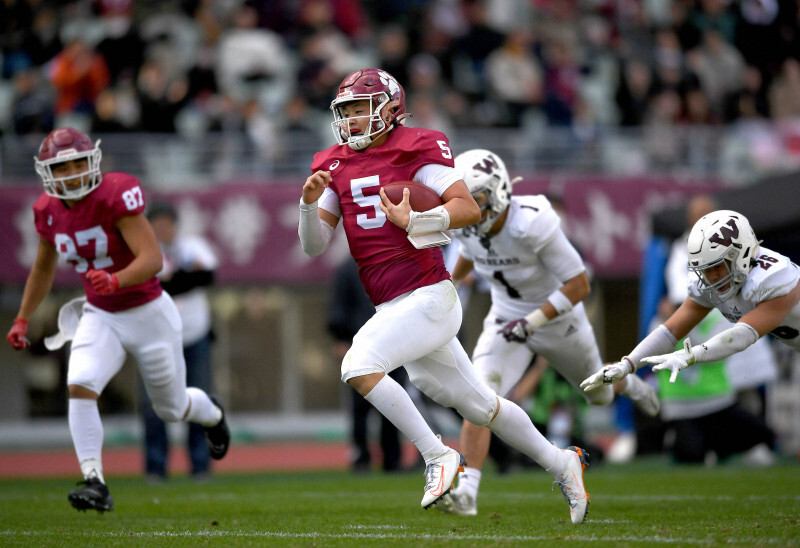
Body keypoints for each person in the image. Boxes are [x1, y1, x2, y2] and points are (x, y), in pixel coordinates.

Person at [299, 68, 591, 524]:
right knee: (479, 405)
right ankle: (562, 463)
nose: (353, 120)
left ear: (391, 110)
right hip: (392, 303)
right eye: (347, 111)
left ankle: (437, 456)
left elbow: (466, 207)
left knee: (358, 365)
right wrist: (306, 205)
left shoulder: (418, 144)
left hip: (429, 293)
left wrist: (417, 221)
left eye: (361, 109)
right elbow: (315, 244)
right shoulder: (331, 164)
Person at [5, 128, 230, 513]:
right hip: (101, 314)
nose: (74, 173)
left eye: (79, 162)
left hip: (148, 313)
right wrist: (23, 318)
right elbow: (43, 269)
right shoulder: (47, 210)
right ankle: (95, 481)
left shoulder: (114, 195)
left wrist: (116, 278)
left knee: (171, 409)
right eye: (63, 166)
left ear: (92, 161)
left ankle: (212, 413)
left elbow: (152, 259)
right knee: (79, 383)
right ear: (48, 172)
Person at [438, 149, 659, 517]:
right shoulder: (468, 221)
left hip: (558, 321)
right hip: (506, 319)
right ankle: (468, 493)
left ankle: (628, 384)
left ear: (498, 192)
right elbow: (468, 252)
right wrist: (447, 286)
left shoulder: (533, 221)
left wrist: (533, 322)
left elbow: (579, 285)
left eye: (475, 199)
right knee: (478, 397)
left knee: (598, 395)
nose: (468, 208)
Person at [581, 209, 800, 416]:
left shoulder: (775, 278)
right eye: (704, 269)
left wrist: (692, 355)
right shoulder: (709, 283)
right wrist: (628, 364)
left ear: (741, 255)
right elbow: (670, 330)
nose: (711, 276)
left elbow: (743, 335)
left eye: (717, 267)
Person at [142, 200, 219, 482]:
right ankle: (155, 467)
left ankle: (200, 466)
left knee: (199, 397)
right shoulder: (144, 251)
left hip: (195, 334)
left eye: (167, 224)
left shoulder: (192, 246)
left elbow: (207, 275)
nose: (163, 230)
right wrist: (181, 279)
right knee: (153, 404)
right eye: (157, 225)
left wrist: (171, 282)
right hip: (155, 339)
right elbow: (145, 285)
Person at [327, 255, 403, 473]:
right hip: (359, 342)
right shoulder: (347, 268)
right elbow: (339, 304)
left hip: (393, 343)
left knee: (393, 401)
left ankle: (392, 457)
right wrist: (340, 338)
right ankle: (361, 455)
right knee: (360, 405)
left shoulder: (392, 262)